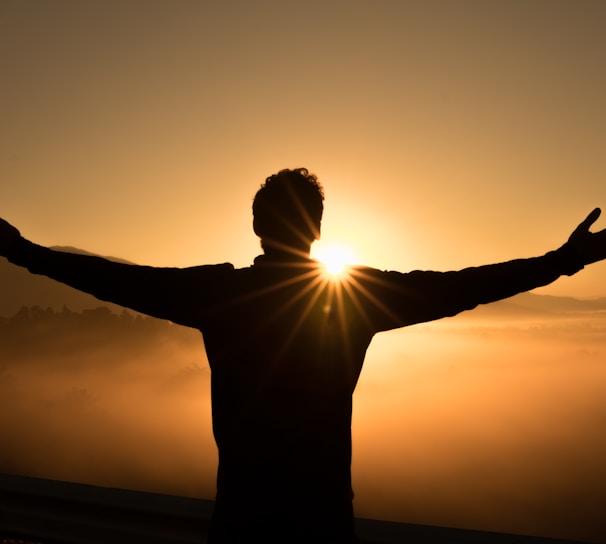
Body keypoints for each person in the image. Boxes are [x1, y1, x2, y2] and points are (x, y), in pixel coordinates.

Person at [1, 168, 605, 543]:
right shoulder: (357, 299)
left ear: (257, 225)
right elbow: (463, 286)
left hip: (241, 517)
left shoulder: (221, 294)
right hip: (323, 520)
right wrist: (562, 260)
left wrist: (23, 252)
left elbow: (116, 282)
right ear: (316, 228)